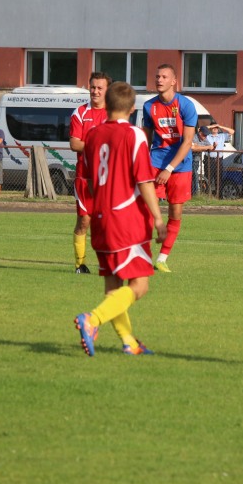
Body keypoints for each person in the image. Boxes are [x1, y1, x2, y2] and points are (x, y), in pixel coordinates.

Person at [74, 81, 167, 357]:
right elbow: (144, 181)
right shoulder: (134, 135)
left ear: (107, 105)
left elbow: (91, 181)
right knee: (139, 285)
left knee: (113, 287)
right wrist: (158, 219)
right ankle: (92, 320)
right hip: (127, 220)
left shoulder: (93, 135)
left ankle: (130, 343)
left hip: (100, 218)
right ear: (132, 108)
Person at [142, 63, 199, 272]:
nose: (159, 80)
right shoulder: (149, 106)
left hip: (180, 166)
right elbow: (146, 139)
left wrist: (170, 168)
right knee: (147, 209)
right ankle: (142, 255)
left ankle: (162, 258)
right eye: (157, 76)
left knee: (175, 212)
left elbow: (188, 142)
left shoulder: (186, 105)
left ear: (174, 81)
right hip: (155, 162)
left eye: (164, 77)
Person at [69, 72, 110, 273]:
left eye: (100, 88)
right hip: (85, 177)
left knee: (108, 222)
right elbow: (74, 144)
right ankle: (80, 264)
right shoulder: (80, 113)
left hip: (108, 179)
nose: (95, 91)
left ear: (107, 90)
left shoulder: (113, 114)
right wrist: (99, 145)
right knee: (85, 221)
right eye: (93, 87)